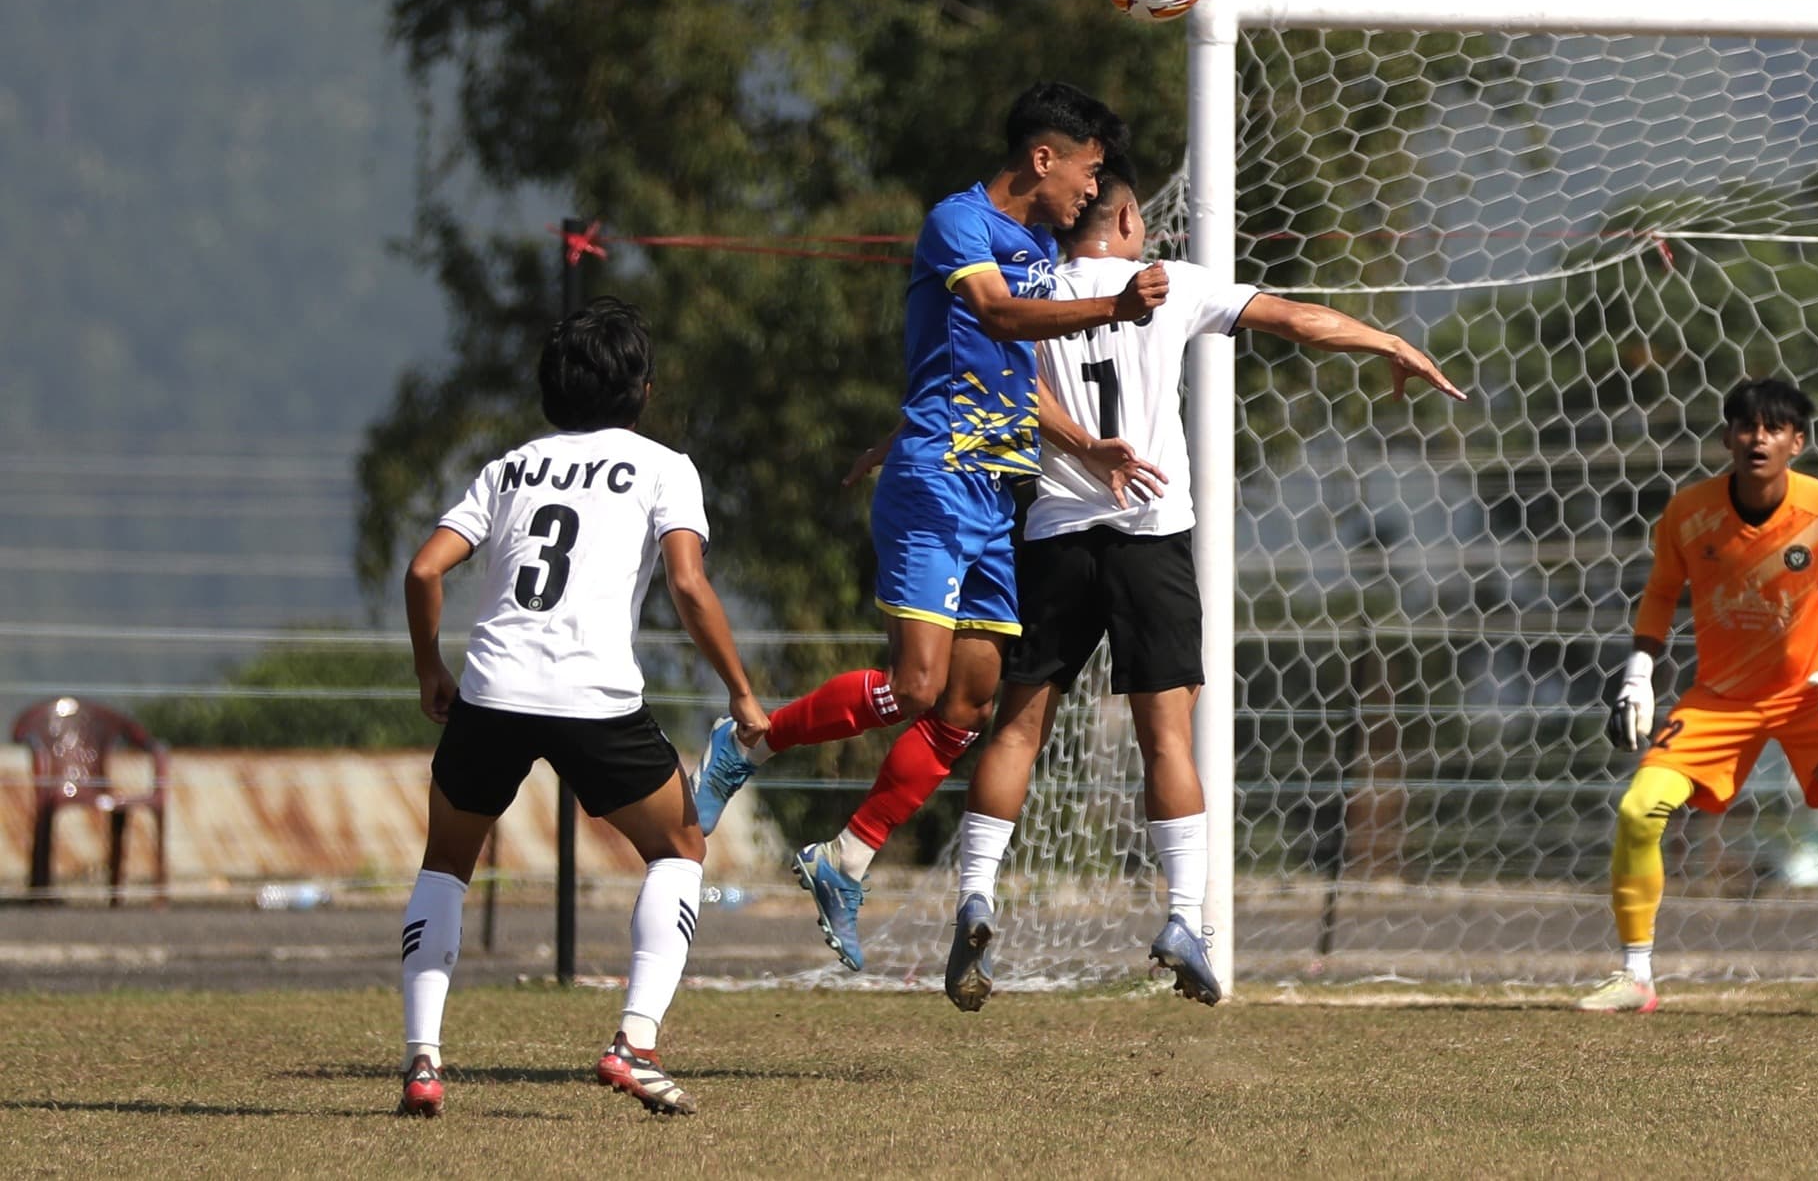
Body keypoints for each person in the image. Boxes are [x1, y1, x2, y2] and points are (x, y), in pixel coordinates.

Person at [940, 159, 1466, 1010]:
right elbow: (1295, 319)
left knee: (1019, 727)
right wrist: (1388, 342)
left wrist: (1082, 450)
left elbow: (1006, 391)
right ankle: (1185, 917)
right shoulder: (1170, 284)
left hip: (1056, 536)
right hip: (1150, 537)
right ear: (1127, 220)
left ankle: (975, 895)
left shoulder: (1032, 295)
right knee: (1169, 741)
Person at [691, 82, 1167, 971]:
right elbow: (993, 314)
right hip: (940, 483)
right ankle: (752, 738)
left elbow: (1007, 371)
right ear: (1043, 158)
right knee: (915, 686)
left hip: (995, 492)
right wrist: (1114, 306)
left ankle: (846, 858)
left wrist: (1085, 445)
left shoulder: (1036, 247)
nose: (1090, 191)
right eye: (1086, 170)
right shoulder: (959, 223)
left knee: (968, 704)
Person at [397, 296, 770, 1118]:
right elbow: (688, 584)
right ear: (643, 389)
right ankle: (634, 1043)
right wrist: (741, 690)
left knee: (446, 864)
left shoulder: (509, 469)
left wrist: (430, 670)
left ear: (548, 390)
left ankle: (423, 1061)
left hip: (491, 692)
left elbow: (424, 569)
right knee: (679, 846)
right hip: (594, 698)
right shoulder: (664, 467)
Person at [1581, 377, 1818, 1018]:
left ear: (1797, 442)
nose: (1758, 438)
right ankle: (1635, 976)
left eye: (1774, 428)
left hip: (1813, 697)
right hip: (1719, 701)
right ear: (1727, 437)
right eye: (1747, 426)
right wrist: (1638, 670)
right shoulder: (1689, 513)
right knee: (1638, 810)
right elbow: (1661, 592)